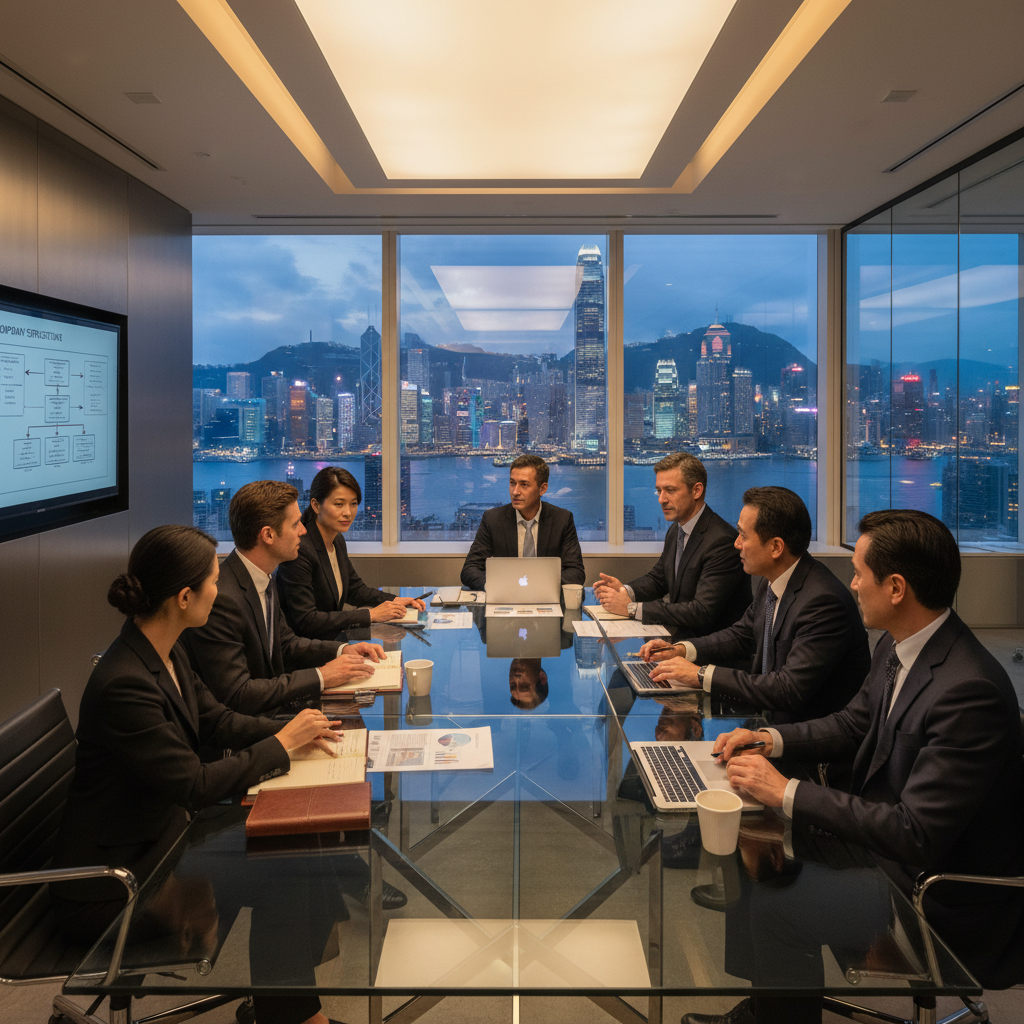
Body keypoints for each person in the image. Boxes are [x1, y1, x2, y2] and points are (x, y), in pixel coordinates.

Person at [689, 510, 1024, 1024]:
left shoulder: (968, 690)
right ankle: (765, 1010)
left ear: (895, 587)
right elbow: (851, 724)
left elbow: (915, 834)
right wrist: (767, 738)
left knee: (776, 900)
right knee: (752, 840)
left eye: (859, 573)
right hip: (880, 848)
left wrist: (787, 793)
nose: (852, 583)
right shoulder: (901, 643)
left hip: (929, 891)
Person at [50, 524, 341, 1024]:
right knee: (292, 869)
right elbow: (196, 784)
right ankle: (289, 1016)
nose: (220, 588)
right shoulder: (126, 684)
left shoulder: (167, 649)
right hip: (119, 883)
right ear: (184, 597)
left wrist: (291, 732)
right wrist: (280, 745)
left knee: (302, 855)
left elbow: (217, 720)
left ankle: (285, 1011)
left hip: (160, 843)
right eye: (212, 580)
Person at [641, 486, 870, 723]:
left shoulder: (823, 603)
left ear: (776, 547)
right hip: (764, 723)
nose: (736, 544)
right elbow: (742, 635)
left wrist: (701, 674)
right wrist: (682, 650)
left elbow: (787, 690)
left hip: (803, 743)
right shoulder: (772, 581)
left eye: (743, 536)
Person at [182, 480, 386, 716]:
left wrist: (341, 651)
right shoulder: (222, 599)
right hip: (249, 730)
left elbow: (286, 643)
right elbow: (238, 695)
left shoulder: (262, 575)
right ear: (268, 535)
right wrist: (322, 676)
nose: (303, 530)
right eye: (296, 524)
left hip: (275, 710)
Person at [593, 452, 750, 635]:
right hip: (678, 640)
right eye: (659, 491)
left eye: (671, 490)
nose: (661, 499)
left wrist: (631, 608)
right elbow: (659, 579)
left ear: (696, 491)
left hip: (710, 650)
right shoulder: (677, 529)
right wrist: (624, 591)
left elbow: (701, 612)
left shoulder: (722, 540)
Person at [277, 466, 426, 639]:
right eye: (339, 504)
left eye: (353, 504)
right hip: (306, 649)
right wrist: (371, 615)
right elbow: (306, 620)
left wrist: (394, 601)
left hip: (331, 640)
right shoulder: (300, 550)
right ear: (316, 505)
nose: (348, 513)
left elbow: (355, 589)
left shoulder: (336, 539)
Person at [460, 454, 585, 592]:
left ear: (542, 489)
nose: (515, 492)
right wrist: (498, 585)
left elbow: (576, 572)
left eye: (524, 485)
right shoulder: (493, 519)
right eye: (512, 483)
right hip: (505, 596)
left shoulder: (562, 519)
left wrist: (535, 586)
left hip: (545, 599)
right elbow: (470, 570)